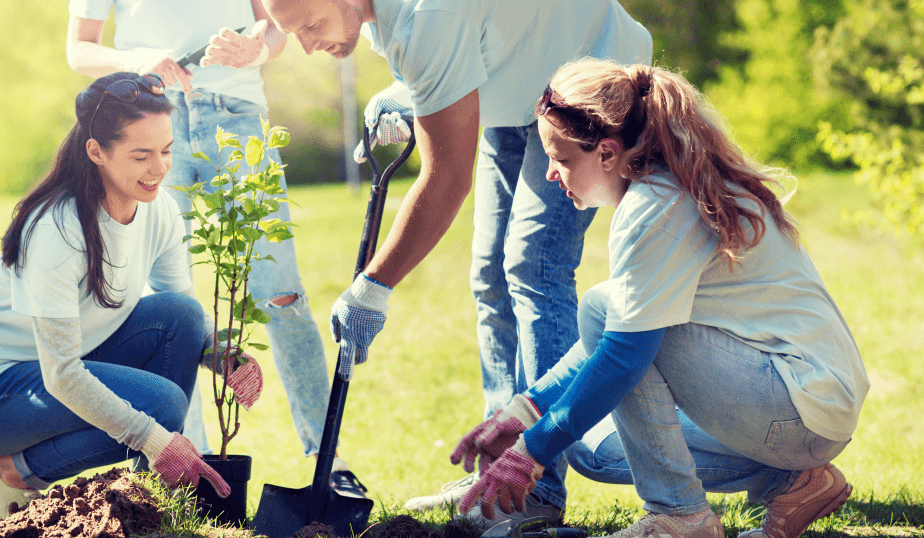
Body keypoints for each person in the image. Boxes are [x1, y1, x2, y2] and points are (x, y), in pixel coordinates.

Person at [260, 0, 652, 529]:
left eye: (310, 25)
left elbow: (447, 178)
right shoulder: (385, 15)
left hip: (584, 77)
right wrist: (412, 91)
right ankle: (494, 472)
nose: (307, 47)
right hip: (515, 85)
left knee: (534, 266)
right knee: (491, 276)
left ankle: (534, 488)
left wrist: (373, 286)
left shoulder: (430, 16)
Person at [451, 58, 868, 538]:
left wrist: (529, 454)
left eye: (561, 159)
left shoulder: (657, 205)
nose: (550, 174)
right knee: (590, 447)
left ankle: (681, 516)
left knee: (607, 316)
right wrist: (525, 411)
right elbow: (611, 344)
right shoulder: (666, 186)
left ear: (607, 153)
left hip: (799, 403)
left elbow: (625, 353)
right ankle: (796, 482)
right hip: (797, 409)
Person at [65, 0, 368, 498]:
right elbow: (79, 48)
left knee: (280, 294)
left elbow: (276, 22)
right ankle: (186, 469)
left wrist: (256, 49)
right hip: (150, 124)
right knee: (164, 306)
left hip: (237, 118)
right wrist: (139, 59)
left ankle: (328, 462)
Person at [0, 73, 243, 519]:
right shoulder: (57, 229)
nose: (159, 168)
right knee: (163, 406)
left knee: (182, 315)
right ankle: (17, 471)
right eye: (141, 156)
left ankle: (146, 499)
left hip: (54, 368)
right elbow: (62, 375)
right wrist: (155, 437)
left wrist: (220, 352)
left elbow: (181, 310)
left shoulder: (158, 209)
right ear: (96, 151)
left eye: (166, 151)